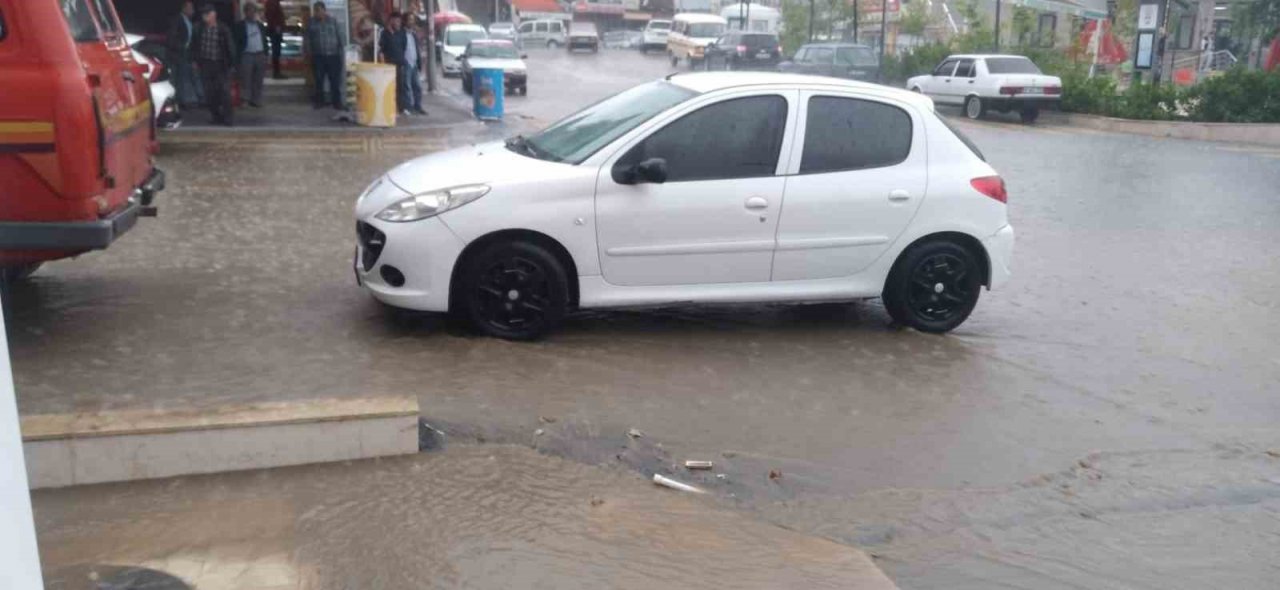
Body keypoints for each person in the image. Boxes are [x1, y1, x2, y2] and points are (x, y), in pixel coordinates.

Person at [192, 4, 237, 125]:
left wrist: (232, 64)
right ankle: (216, 116)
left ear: (214, 15)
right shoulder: (199, 28)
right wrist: (195, 61)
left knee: (224, 92)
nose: (205, 17)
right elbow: (194, 46)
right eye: (203, 14)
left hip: (220, 64)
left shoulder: (222, 29)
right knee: (210, 93)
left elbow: (230, 47)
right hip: (206, 64)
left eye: (207, 14)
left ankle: (228, 118)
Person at [379, 12, 426, 116]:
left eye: (399, 21)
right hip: (393, 65)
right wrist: (383, 64)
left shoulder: (406, 34)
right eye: (396, 20)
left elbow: (411, 48)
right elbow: (382, 50)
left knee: (416, 86)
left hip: (407, 63)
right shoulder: (386, 33)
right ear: (391, 20)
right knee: (404, 87)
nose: (398, 23)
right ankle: (405, 107)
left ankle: (416, 106)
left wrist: (418, 62)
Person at [307, 1, 345, 110]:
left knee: (335, 81)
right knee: (319, 80)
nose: (317, 13)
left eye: (319, 10)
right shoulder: (311, 23)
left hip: (333, 56)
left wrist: (342, 52)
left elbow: (340, 36)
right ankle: (320, 102)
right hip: (318, 56)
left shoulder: (333, 21)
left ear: (324, 10)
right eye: (315, 11)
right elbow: (308, 39)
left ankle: (337, 102)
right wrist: (309, 52)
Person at [166, 1, 204, 108]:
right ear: (184, 9)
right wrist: (181, 47)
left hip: (185, 55)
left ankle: (182, 101)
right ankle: (174, 102)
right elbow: (172, 38)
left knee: (183, 78)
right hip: (176, 54)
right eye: (190, 8)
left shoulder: (189, 22)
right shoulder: (177, 20)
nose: (193, 10)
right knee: (176, 79)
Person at [234, 4, 269, 107]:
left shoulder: (260, 25)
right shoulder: (240, 26)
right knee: (246, 79)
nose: (253, 14)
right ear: (245, 13)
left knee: (258, 79)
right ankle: (245, 99)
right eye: (250, 11)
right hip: (247, 54)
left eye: (254, 12)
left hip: (260, 54)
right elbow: (237, 42)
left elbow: (264, 40)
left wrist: (266, 53)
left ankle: (256, 99)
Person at [264, 0, 286, 79]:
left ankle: (277, 72)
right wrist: (277, 27)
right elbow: (272, 16)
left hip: (274, 29)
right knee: (276, 51)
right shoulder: (272, 2)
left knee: (276, 51)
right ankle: (276, 73)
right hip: (275, 30)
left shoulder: (272, 2)